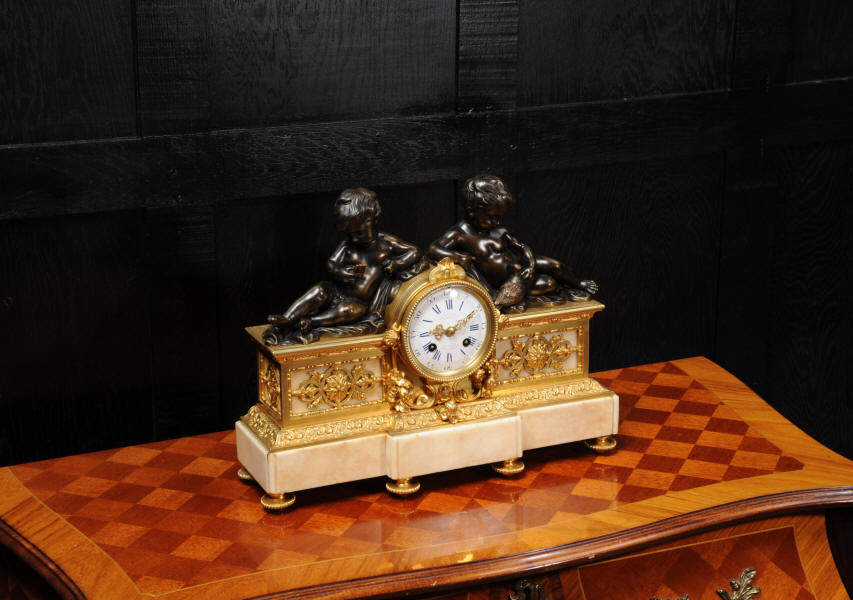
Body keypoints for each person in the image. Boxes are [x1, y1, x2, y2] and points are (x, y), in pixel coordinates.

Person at [264, 188, 422, 344]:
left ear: (373, 220)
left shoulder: (386, 243)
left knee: (351, 311)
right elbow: (331, 263)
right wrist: (340, 272)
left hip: (359, 302)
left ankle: (312, 321)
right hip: (337, 291)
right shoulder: (348, 245)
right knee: (320, 290)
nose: (354, 239)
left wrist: (397, 263)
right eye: (349, 235)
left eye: (359, 233)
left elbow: (415, 251)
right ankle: (288, 317)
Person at [428, 174, 598, 310]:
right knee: (549, 284)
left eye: (499, 217)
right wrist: (457, 257)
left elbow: (521, 247)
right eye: (492, 217)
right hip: (507, 283)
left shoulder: (499, 231)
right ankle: (526, 293)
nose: (497, 222)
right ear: (472, 210)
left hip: (522, 269)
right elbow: (434, 248)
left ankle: (578, 282)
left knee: (555, 265)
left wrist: (530, 264)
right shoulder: (461, 233)